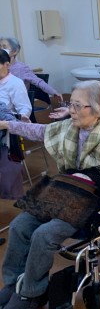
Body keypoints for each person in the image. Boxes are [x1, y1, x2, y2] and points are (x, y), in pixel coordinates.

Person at [0, 80, 100, 309]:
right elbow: (38, 131)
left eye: (78, 106)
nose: (72, 110)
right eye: (71, 104)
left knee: (44, 235)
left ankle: (31, 293)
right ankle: (14, 284)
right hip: (66, 188)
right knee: (19, 226)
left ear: (98, 110)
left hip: (94, 197)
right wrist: (7, 125)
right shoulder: (66, 128)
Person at [0, 49, 32, 199]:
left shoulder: (15, 83)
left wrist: (21, 117)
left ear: (7, 64)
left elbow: (24, 108)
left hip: (7, 128)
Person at [0, 36, 63, 102]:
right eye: (0, 46)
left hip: (17, 101)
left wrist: (53, 92)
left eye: (4, 47)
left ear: (14, 51)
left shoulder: (21, 68)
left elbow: (38, 81)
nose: (1, 49)